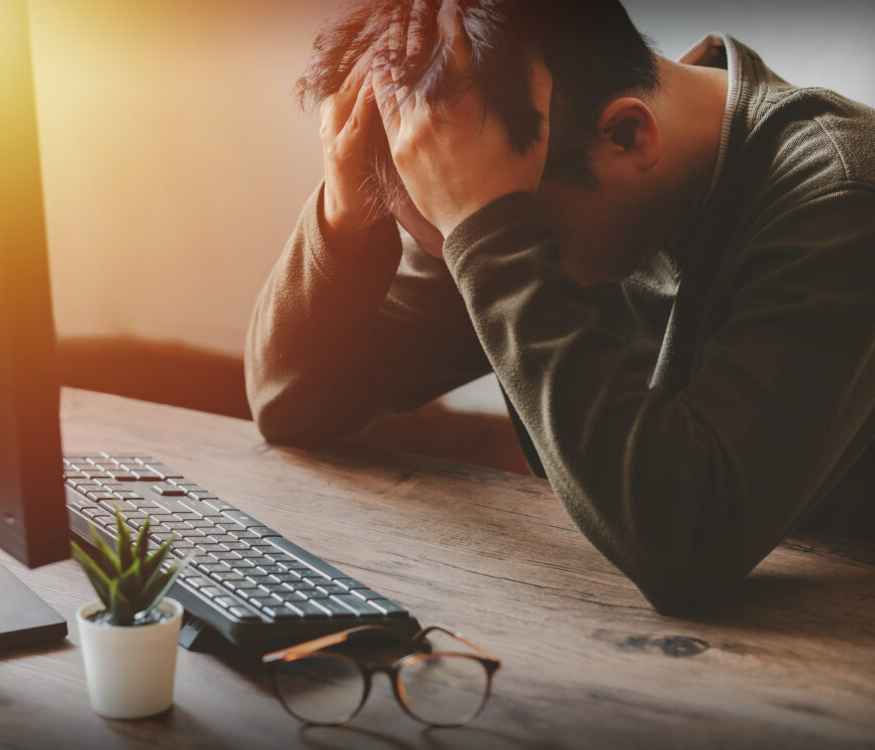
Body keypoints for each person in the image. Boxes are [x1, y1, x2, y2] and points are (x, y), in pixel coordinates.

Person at [245, 0, 875, 613]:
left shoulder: (843, 194)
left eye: (469, 230)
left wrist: (489, 232)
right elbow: (290, 401)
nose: (452, 258)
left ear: (629, 135)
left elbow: (687, 544)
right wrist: (344, 215)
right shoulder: (529, 174)